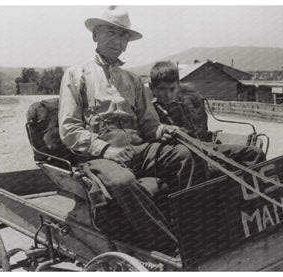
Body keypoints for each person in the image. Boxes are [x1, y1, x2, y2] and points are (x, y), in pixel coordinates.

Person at [58, 6, 201, 255]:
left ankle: (192, 232)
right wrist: (104, 149)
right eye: (110, 33)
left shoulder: (133, 80)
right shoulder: (76, 75)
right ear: (95, 36)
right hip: (98, 156)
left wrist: (162, 130)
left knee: (183, 155)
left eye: (123, 36)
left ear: (127, 44)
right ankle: (167, 248)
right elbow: (69, 129)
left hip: (137, 149)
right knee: (123, 181)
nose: (117, 40)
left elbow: (149, 125)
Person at [149, 61, 266, 176]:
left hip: (203, 146)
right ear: (152, 88)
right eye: (162, 89)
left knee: (254, 153)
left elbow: (195, 133)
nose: (168, 94)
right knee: (221, 169)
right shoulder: (149, 112)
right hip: (186, 153)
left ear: (178, 86)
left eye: (172, 89)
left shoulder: (181, 106)